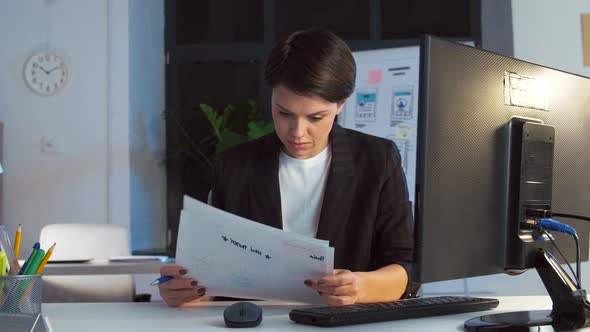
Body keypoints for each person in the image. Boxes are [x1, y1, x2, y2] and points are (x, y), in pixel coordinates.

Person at [159, 28, 414, 307]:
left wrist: (361, 287)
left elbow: (403, 264)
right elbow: (213, 274)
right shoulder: (235, 166)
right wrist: (186, 291)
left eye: (316, 117)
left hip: (343, 324)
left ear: (341, 104)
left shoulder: (377, 160)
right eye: (284, 113)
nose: (297, 132)